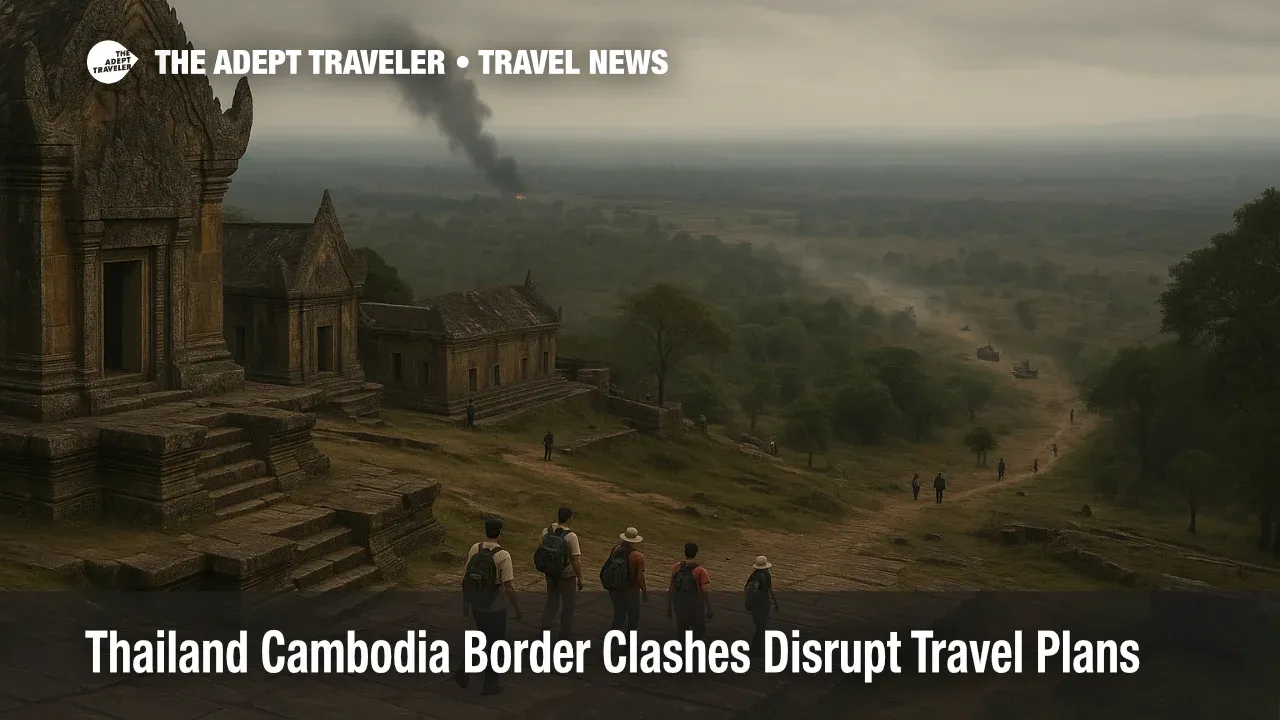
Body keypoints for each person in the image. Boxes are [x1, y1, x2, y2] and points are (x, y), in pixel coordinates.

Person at [457, 518, 521, 695]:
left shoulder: (475, 548)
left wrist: (465, 603)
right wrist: (516, 608)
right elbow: (509, 586)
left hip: (477, 604)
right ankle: (490, 684)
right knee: (496, 645)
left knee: (479, 639)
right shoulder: (503, 555)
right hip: (495, 607)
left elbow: (466, 579)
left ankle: (464, 670)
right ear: (500, 533)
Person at [536, 507, 583, 641]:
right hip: (567, 576)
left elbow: (541, 547)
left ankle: (543, 636)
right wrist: (580, 578)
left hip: (550, 573)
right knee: (568, 607)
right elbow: (576, 560)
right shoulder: (571, 536)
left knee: (551, 604)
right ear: (569, 518)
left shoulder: (547, 531)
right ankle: (564, 639)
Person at [601, 527, 647, 630]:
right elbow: (640, 578)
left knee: (619, 616)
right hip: (630, 590)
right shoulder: (637, 556)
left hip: (614, 588)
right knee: (633, 618)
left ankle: (613, 641)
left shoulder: (616, 549)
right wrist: (644, 592)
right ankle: (629, 644)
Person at [669, 542, 712, 640]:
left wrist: (669, 608)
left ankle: (681, 653)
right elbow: (705, 591)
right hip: (695, 606)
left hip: (679, 605)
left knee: (682, 632)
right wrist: (709, 608)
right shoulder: (701, 570)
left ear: (684, 551)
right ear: (696, 553)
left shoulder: (676, 567)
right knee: (699, 633)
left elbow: (671, 587)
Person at [744, 556, 778, 657]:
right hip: (763, 603)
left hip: (754, 604)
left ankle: (756, 648)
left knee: (759, 626)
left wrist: (747, 601)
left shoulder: (753, 575)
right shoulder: (767, 576)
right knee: (761, 627)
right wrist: (776, 603)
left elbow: (746, 587)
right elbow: (770, 590)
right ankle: (755, 648)